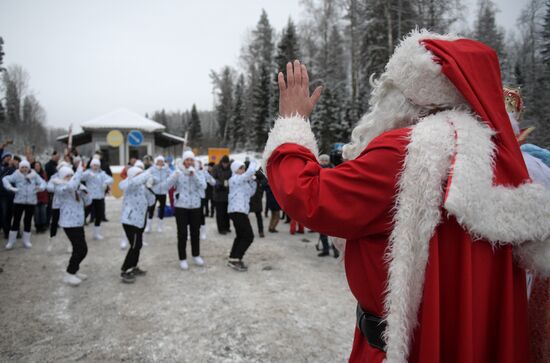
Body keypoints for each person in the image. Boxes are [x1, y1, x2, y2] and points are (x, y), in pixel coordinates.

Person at [263, 32, 550, 362]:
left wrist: (292, 122)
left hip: (402, 347)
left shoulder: (409, 152)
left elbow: (307, 195)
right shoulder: (498, 156)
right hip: (472, 339)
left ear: (410, 97)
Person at [167, 151, 207, 270]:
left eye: (191, 160)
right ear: (184, 161)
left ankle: (196, 255)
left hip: (195, 206)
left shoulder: (198, 172)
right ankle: (182, 258)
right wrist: (174, 176)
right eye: (187, 160)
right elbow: (168, 185)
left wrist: (194, 175)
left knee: (195, 232)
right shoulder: (178, 172)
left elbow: (203, 186)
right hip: (181, 207)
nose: (189, 162)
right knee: (182, 233)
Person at [53, 164, 91, 286]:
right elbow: (70, 186)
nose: (69, 177)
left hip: (78, 221)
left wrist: (84, 192)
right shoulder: (59, 186)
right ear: (62, 177)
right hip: (68, 222)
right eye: (67, 176)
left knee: (80, 249)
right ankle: (69, 273)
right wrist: (78, 173)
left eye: (71, 175)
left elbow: (88, 201)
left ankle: (74, 271)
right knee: (81, 249)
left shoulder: (76, 185)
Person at [119, 165, 152, 283]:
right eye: (139, 174)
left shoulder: (142, 187)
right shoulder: (129, 185)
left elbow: (151, 201)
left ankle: (133, 266)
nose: (141, 177)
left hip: (140, 220)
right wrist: (148, 172)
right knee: (135, 245)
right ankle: (125, 269)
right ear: (133, 176)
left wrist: (149, 188)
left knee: (138, 245)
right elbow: (129, 183)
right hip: (130, 221)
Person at [3, 159, 46, 249]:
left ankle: (26, 241)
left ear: (29, 167)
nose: (24, 169)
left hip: (31, 202)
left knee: (28, 221)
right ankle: (11, 242)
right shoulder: (16, 174)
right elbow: (5, 179)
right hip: (19, 201)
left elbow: (43, 182)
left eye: (26, 167)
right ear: (20, 168)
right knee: (16, 221)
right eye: (22, 167)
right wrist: (10, 187)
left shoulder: (34, 175)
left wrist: (40, 188)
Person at [227, 160, 257, 271]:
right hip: (236, 211)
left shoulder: (244, 182)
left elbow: (251, 192)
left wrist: (254, 181)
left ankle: (233, 258)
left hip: (242, 211)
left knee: (240, 236)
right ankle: (236, 258)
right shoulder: (234, 179)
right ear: (235, 169)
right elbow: (247, 174)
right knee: (249, 236)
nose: (243, 170)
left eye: (244, 168)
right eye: (241, 168)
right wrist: (254, 163)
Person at [82, 158, 113, 240]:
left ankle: (96, 233)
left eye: (97, 165)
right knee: (85, 213)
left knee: (99, 215)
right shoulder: (88, 173)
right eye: (94, 165)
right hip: (90, 198)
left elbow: (111, 179)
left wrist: (106, 183)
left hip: (100, 197)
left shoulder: (102, 174)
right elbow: (79, 178)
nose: (95, 167)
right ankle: (79, 230)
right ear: (91, 165)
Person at [316, 154, 338, 258]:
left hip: (332, 203)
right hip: (321, 203)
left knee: (333, 231)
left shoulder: (334, 170)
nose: (324, 162)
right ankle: (325, 249)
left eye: (326, 160)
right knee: (323, 230)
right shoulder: (316, 170)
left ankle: (335, 249)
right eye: (322, 160)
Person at [146, 155, 171, 233]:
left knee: (162, 209)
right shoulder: (152, 169)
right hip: (154, 192)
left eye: (161, 161)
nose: (160, 163)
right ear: (156, 162)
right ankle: (148, 226)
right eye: (158, 161)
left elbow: (172, 176)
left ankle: (160, 226)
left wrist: (168, 180)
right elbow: (146, 175)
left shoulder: (166, 169)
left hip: (163, 192)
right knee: (151, 208)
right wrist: (152, 180)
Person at [211, 155, 232, 234]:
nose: (225, 165)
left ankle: (227, 227)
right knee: (220, 213)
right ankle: (221, 228)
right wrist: (219, 184)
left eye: (226, 163)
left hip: (227, 194)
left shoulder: (230, 169)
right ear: (221, 162)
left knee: (227, 212)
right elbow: (212, 178)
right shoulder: (216, 168)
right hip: (218, 194)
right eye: (224, 163)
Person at [197, 159, 215, 240]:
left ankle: (203, 232)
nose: (199, 165)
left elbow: (213, 182)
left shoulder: (203, 172)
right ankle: (190, 232)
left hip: (201, 197)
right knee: (190, 216)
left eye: (200, 164)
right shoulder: (189, 172)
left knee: (201, 214)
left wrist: (210, 178)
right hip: (191, 198)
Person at [0, 152, 17, 239]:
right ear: (3, 158)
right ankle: (6, 232)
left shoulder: (13, 168)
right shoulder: (2, 168)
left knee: (11, 213)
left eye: (10, 157)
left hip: (11, 194)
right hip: (2, 195)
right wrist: (8, 168)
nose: (9, 159)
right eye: (7, 157)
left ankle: (12, 231)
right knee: (4, 213)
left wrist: (14, 167)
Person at [32, 161, 49, 233]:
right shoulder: (32, 175)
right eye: (36, 166)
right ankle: (37, 227)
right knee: (36, 213)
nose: (37, 167)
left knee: (43, 213)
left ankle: (43, 226)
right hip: (34, 197)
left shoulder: (44, 174)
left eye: (38, 166)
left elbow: (46, 185)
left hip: (43, 196)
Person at [248, 167, 266, 238]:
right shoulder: (248, 176)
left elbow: (264, 181)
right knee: (248, 217)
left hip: (256, 199)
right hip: (251, 199)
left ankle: (261, 231)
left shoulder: (259, 175)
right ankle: (249, 231)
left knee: (258, 217)